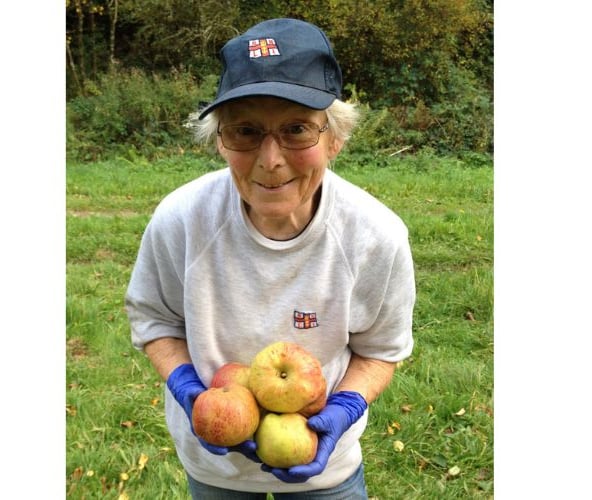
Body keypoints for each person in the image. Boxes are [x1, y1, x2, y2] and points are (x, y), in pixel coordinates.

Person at [125, 18, 416, 499]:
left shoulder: (374, 235)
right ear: (220, 140)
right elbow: (154, 319)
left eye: (297, 129)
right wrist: (184, 384)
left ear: (334, 138)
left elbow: (381, 349)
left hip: (326, 467)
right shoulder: (181, 220)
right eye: (244, 131)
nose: (270, 158)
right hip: (213, 464)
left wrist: (342, 408)